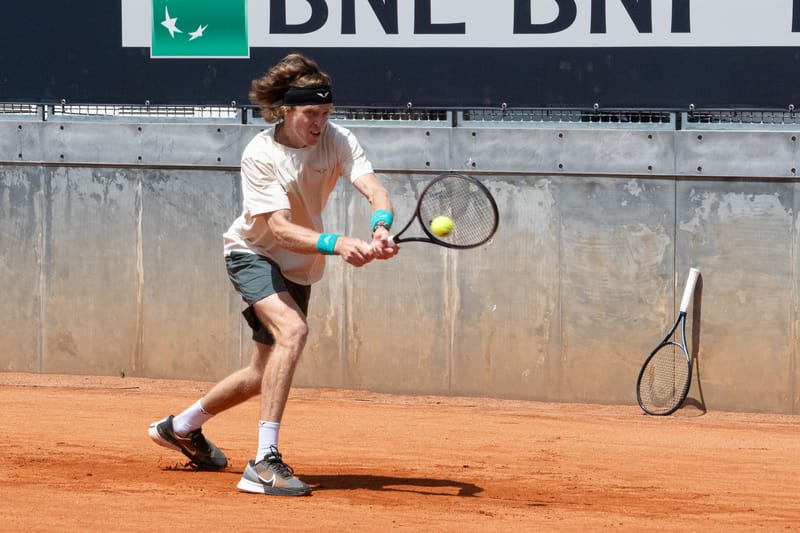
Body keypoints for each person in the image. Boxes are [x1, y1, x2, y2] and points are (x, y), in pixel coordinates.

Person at [149, 52, 399, 496]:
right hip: (253, 252)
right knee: (294, 331)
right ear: (286, 110)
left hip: (299, 265)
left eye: (326, 113)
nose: (319, 123)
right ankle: (264, 462)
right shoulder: (260, 154)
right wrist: (339, 243)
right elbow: (279, 229)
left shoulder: (338, 139)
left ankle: (180, 427)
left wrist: (380, 226)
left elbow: (374, 189)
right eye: (310, 114)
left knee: (261, 371)